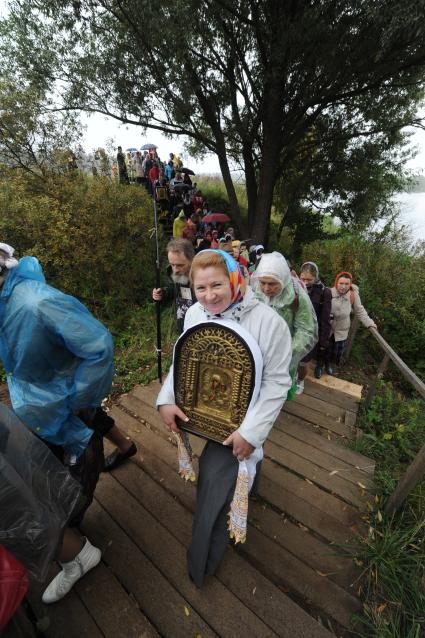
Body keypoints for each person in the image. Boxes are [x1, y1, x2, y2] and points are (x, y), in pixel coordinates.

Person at [0, 244, 136, 602]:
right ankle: (69, 539)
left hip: (67, 411)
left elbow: (98, 347)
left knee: (75, 485)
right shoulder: (6, 301)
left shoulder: (37, 302)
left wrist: (79, 400)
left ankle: (75, 549)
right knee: (48, 476)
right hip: (37, 409)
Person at [156, 250, 292, 586]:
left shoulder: (268, 323)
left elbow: (277, 383)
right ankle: (251, 482)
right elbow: (183, 361)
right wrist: (167, 400)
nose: (209, 295)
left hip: (242, 423)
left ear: (235, 279)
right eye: (200, 288)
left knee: (213, 486)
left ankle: (201, 563)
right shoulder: (194, 315)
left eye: (217, 285)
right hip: (200, 412)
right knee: (225, 478)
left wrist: (251, 432)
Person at [252, 252, 318, 399]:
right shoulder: (258, 289)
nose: (266, 289)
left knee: (277, 391)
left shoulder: (297, 296)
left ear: (282, 279)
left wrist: (287, 353)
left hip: (284, 353)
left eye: (272, 284)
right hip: (259, 350)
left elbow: (306, 330)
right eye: (263, 282)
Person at [326, 271, 377, 371]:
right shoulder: (328, 292)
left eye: (346, 284)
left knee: (336, 352)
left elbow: (360, 311)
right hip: (328, 327)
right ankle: (322, 365)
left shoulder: (353, 295)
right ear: (336, 283)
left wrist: (370, 323)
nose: (343, 286)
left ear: (350, 285)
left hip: (342, 329)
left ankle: (329, 366)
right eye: (341, 283)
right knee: (325, 348)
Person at [298, 261, 332, 386]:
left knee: (303, 362)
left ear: (316, 277)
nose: (305, 283)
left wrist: (323, 342)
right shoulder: (296, 287)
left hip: (310, 334)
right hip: (295, 331)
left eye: (309, 280)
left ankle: (300, 381)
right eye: (303, 279)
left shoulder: (324, 292)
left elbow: (325, 319)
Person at [152, 238, 195, 334]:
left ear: (192, 260)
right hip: (183, 329)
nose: (175, 270)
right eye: (172, 264)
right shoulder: (174, 274)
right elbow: (172, 290)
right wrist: (161, 294)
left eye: (180, 265)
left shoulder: (205, 279)